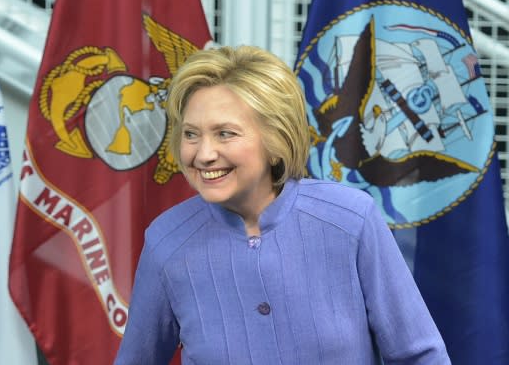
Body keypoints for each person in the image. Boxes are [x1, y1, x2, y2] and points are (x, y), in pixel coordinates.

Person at [114, 45, 450, 364]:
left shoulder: (351, 219)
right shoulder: (167, 241)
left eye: (225, 134)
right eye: (191, 134)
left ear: (276, 141)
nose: (203, 154)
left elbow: (419, 355)